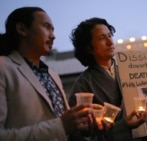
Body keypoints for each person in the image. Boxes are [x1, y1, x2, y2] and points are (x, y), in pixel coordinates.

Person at [0, 7, 99, 141]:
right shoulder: (4, 67)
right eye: (46, 27)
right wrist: (61, 126)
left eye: (53, 30)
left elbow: (67, 128)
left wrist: (85, 127)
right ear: (22, 29)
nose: (53, 36)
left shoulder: (53, 75)